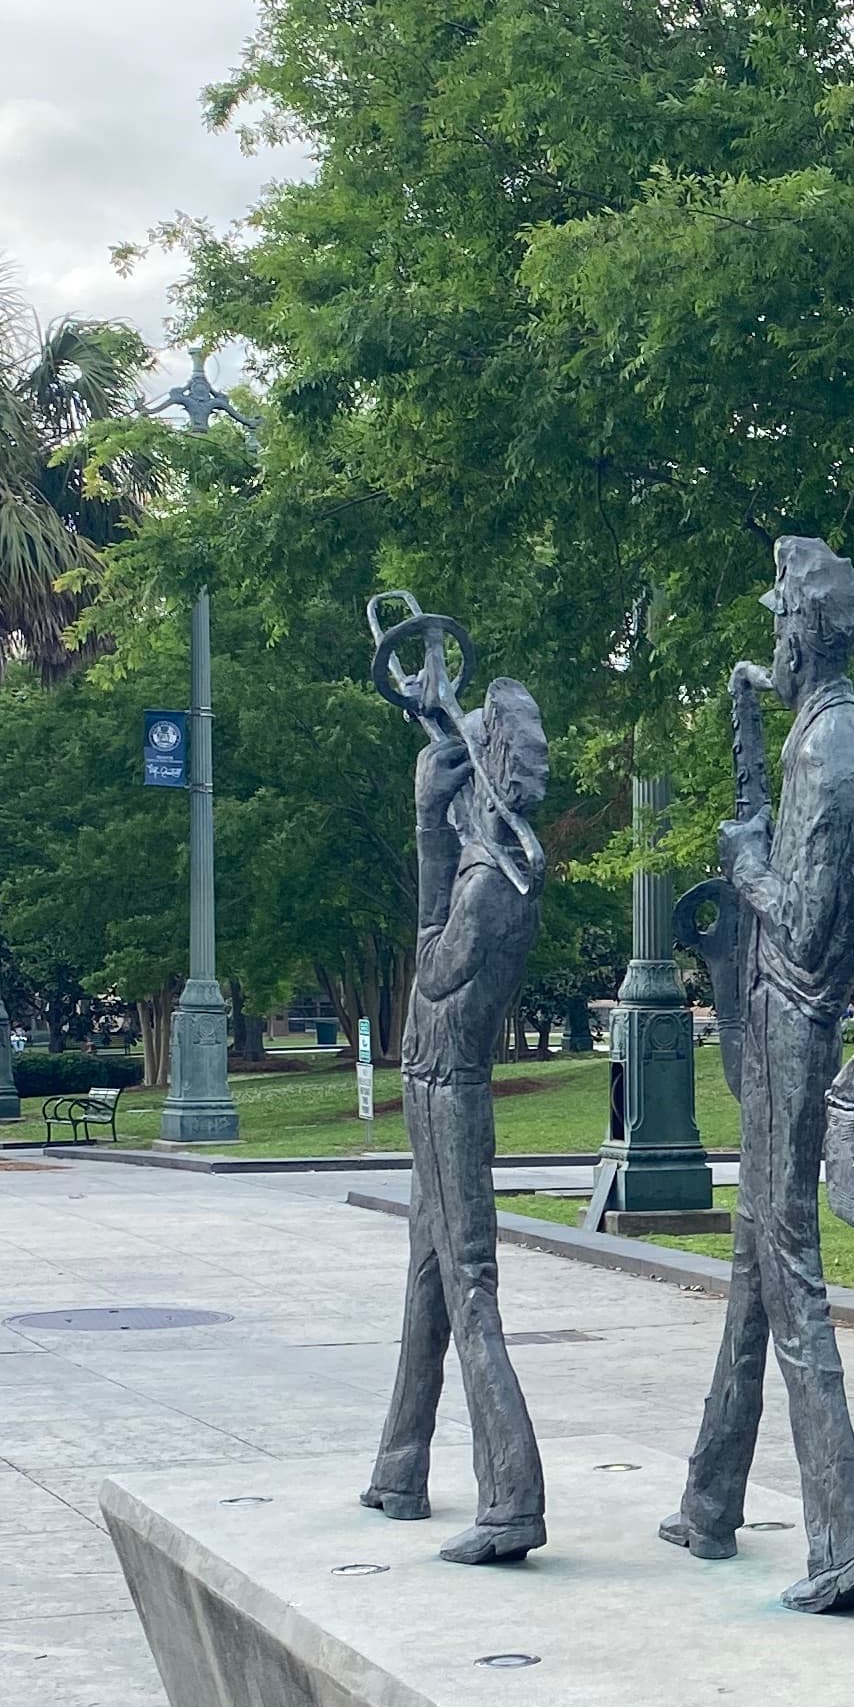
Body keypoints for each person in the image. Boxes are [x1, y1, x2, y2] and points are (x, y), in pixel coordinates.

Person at [663, 539, 854, 1611]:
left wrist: (742, 860)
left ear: (804, 634)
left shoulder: (830, 753)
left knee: (786, 1271)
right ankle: (712, 1496)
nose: (770, 648)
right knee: (757, 1269)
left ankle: (845, 1533)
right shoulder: (834, 736)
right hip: (785, 1022)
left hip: (795, 1028)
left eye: (776, 631)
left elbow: (802, 921)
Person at [362, 654, 551, 1565]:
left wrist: (427, 836)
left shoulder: (488, 888)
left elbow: (430, 981)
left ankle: (512, 1496)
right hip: (432, 1091)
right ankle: (400, 1463)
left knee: (467, 1277)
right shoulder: (492, 866)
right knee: (428, 1275)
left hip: (449, 1092)